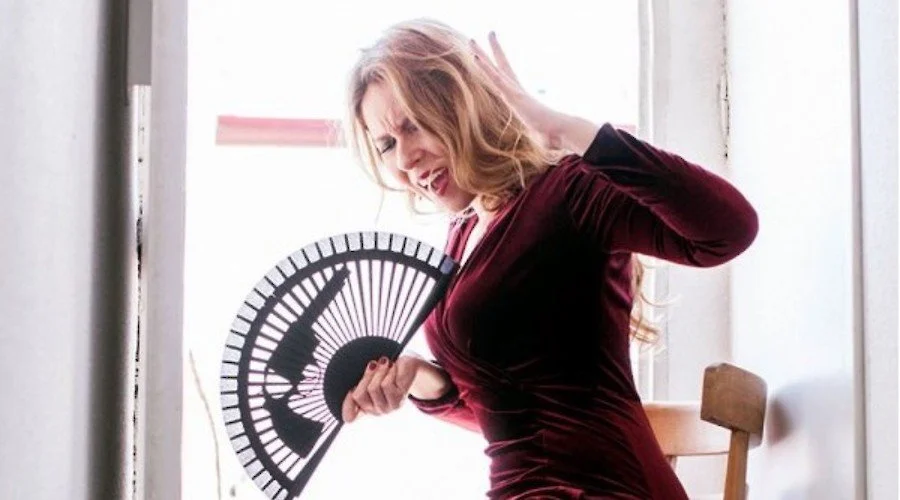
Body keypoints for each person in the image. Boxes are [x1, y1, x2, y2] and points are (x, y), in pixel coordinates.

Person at [339, 18, 758, 500]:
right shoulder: (464, 234)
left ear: (461, 103)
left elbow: (729, 229)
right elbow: (510, 410)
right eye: (386, 145)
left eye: (412, 125)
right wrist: (420, 376)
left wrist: (564, 130)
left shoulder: (567, 191)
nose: (404, 159)